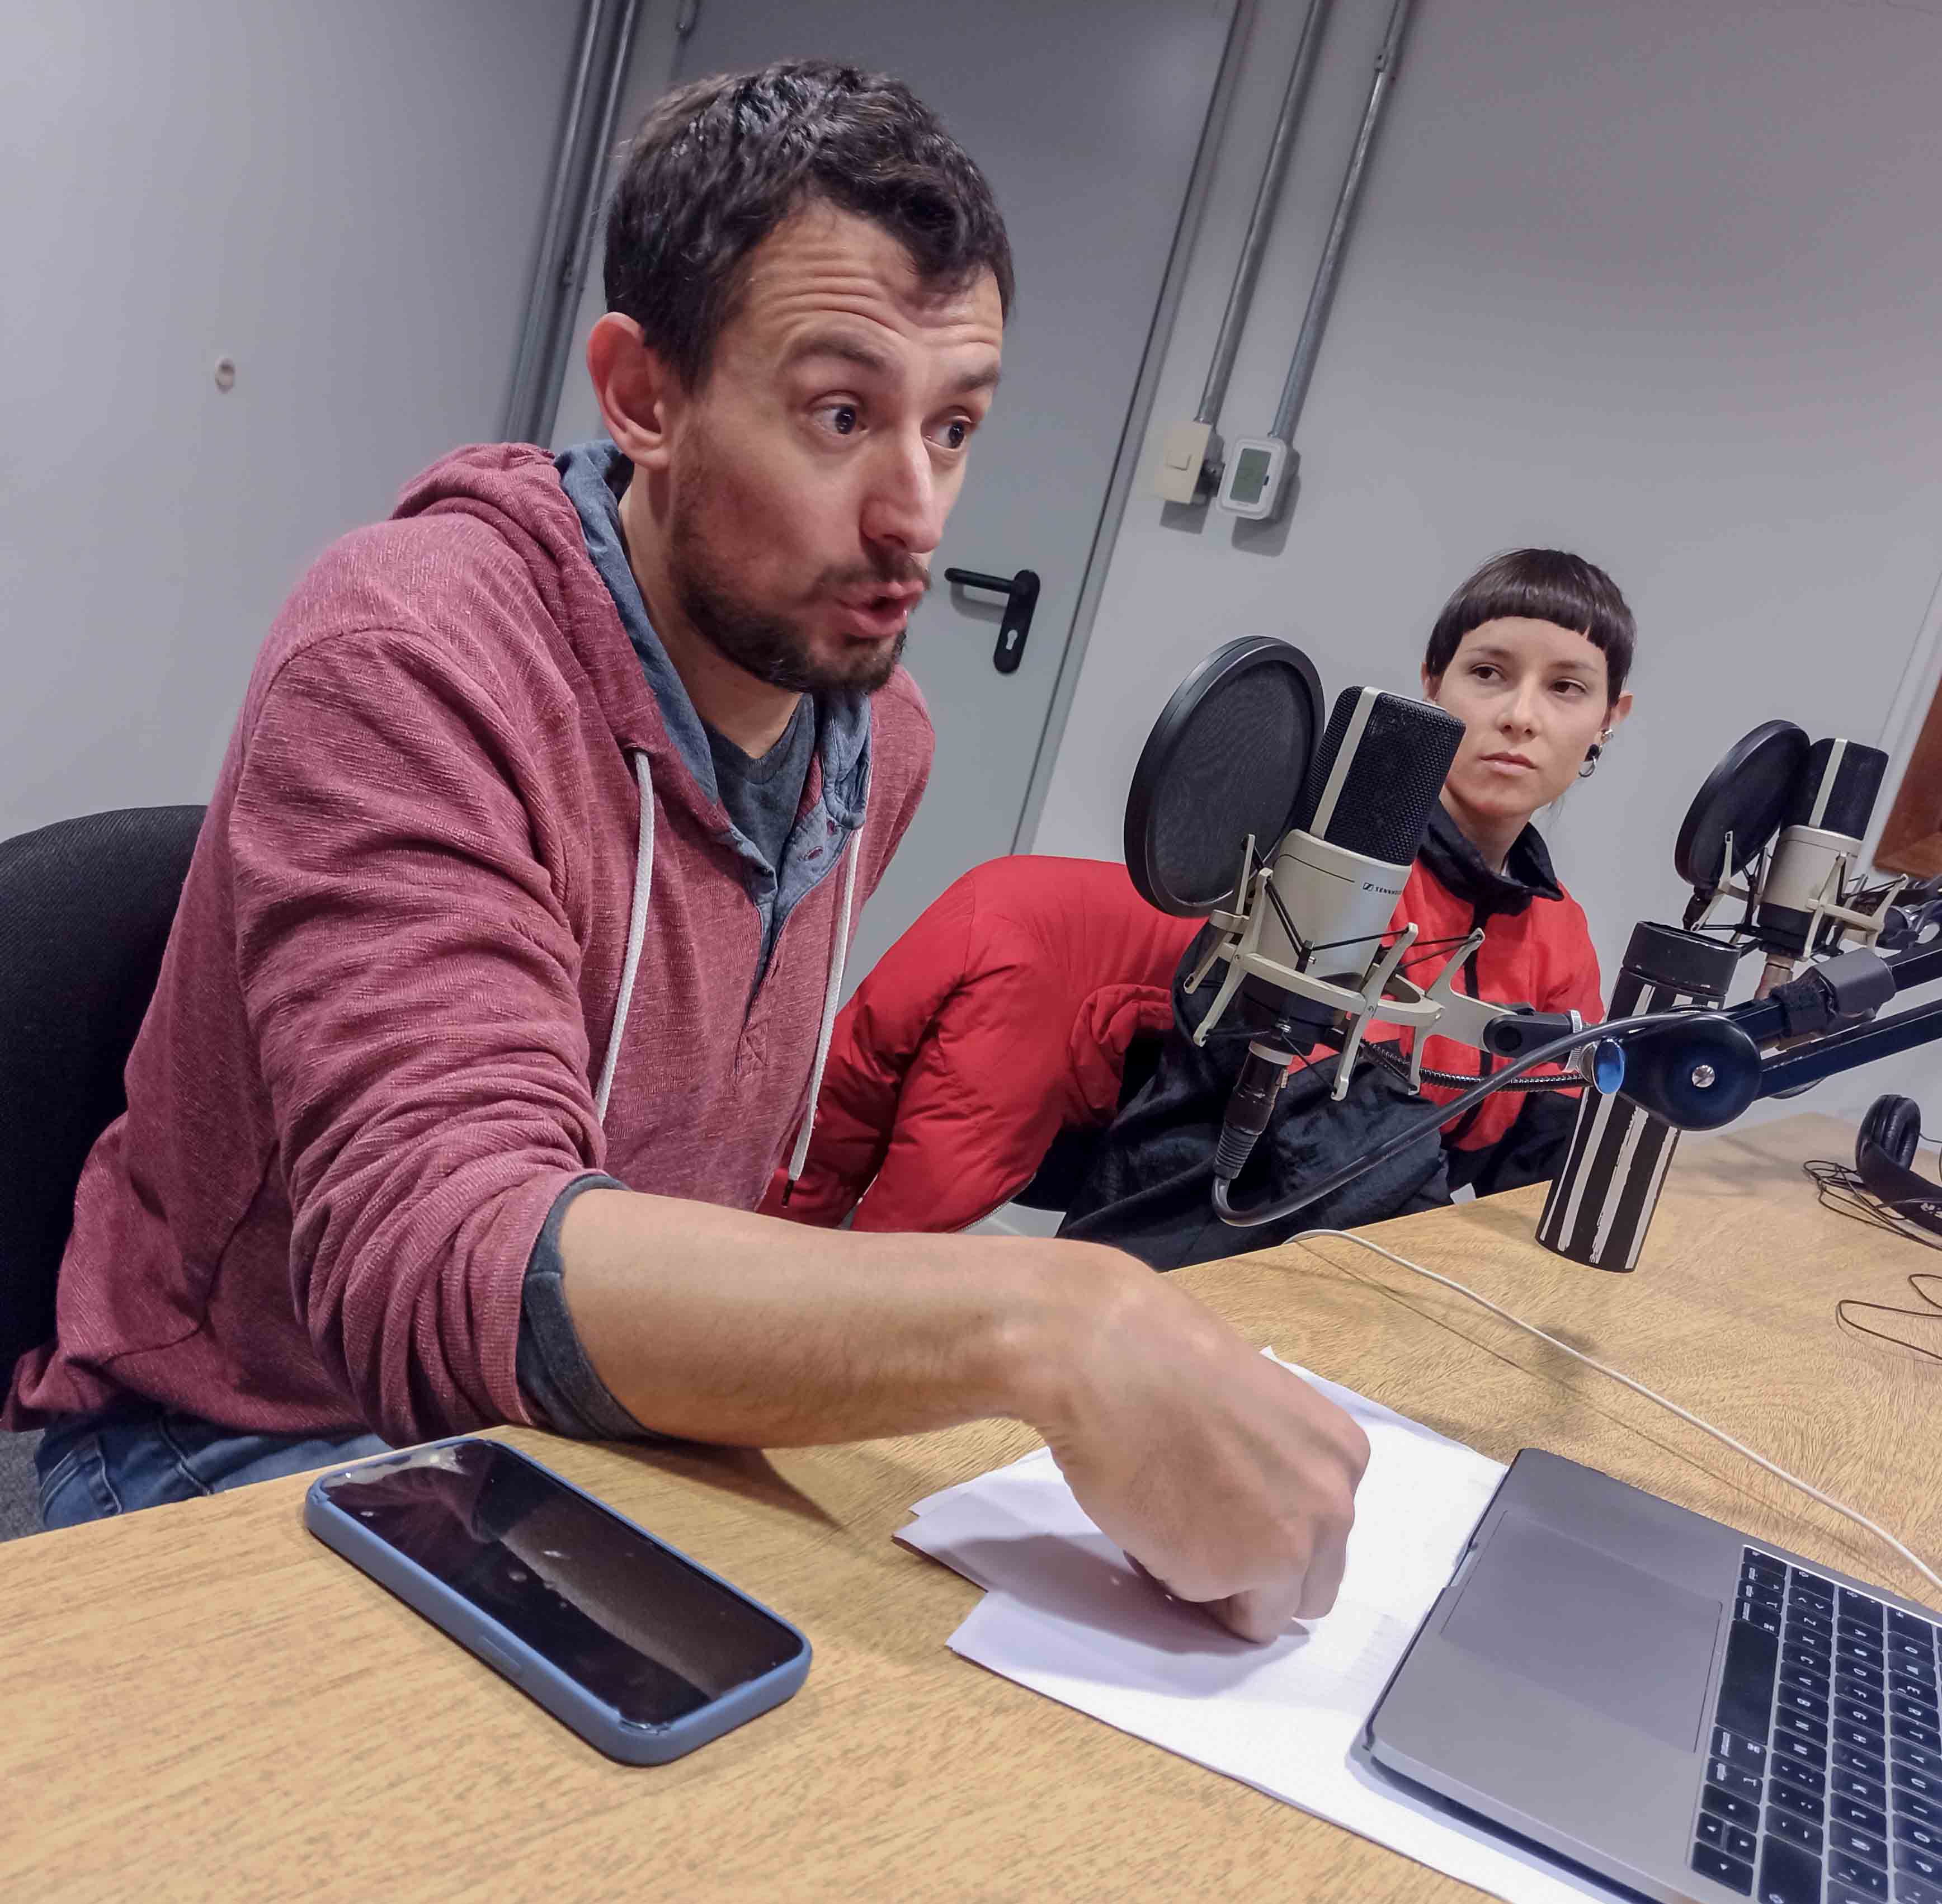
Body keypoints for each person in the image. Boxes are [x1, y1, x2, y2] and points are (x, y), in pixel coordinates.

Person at [7, 63, 1366, 1643]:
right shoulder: (406, 653)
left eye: (954, 427)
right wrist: (1048, 1319)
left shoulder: (882, 733)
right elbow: (437, 1267)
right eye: (841, 416)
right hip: (235, 1439)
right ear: (643, 396)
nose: (917, 513)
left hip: (572, 1431)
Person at [1059, 548, 1636, 1267]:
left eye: (1565, 687)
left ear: (1609, 718)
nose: (1520, 717)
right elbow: (1331, 1121)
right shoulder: (1333, 861)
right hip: (1182, 1250)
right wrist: (1453, 1271)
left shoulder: (1557, 928)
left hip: (1362, 1263)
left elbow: (1545, 1151)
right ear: (1433, 684)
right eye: (1488, 673)